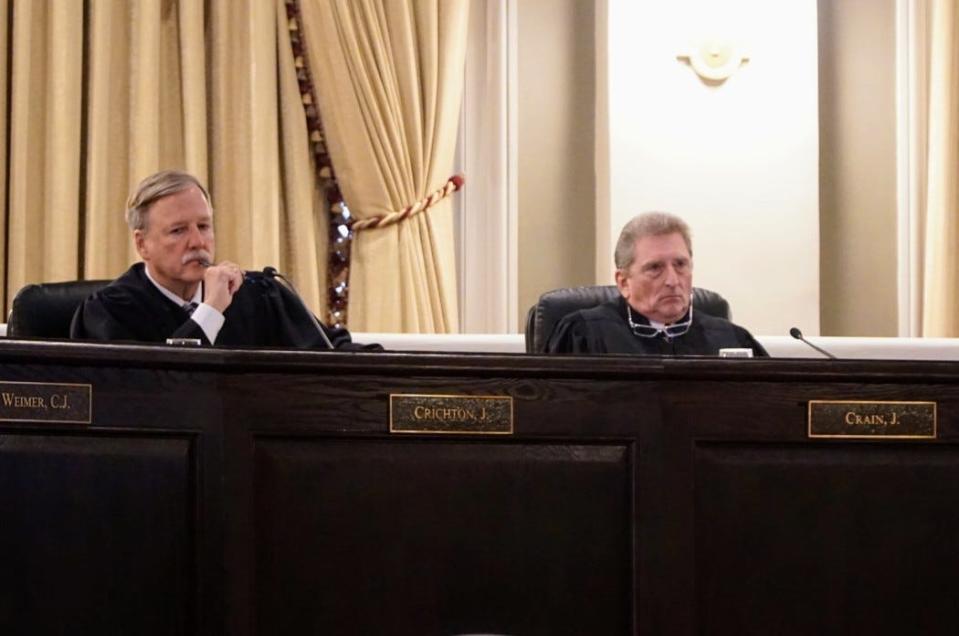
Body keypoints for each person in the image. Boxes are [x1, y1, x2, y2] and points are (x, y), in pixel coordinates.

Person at [71, 170, 376, 350]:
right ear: (142, 244)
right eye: (178, 231)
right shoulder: (110, 310)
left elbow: (331, 350)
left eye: (203, 226)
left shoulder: (258, 292)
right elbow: (161, 389)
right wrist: (211, 310)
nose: (197, 242)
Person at [546, 211, 767, 356]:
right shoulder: (584, 334)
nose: (672, 280)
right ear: (623, 282)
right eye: (655, 268)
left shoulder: (730, 339)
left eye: (680, 264)